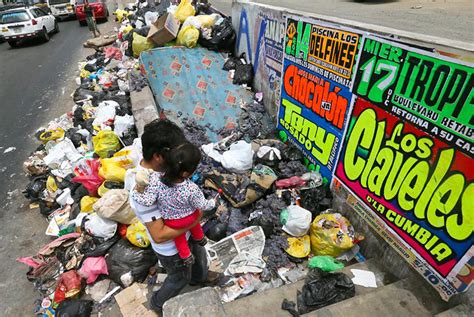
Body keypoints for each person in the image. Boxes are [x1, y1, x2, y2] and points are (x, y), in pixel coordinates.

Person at [128, 119, 209, 316]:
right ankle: (157, 304)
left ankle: (198, 278)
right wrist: (195, 220)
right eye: (174, 154)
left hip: (186, 233)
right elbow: (160, 235)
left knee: (198, 256)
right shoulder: (145, 189)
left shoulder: (163, 171)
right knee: (178, 278)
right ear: (158, 156)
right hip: (171, 248)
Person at [132, 142, 216, 265]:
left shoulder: (156, 180)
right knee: (195, 216)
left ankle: (186, 256)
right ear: (186, 173)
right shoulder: (191, 188)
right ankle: (199, 237)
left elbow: (148, 200)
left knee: (179, 237)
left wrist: (135, 192)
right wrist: (212, 202)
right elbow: (202, 205)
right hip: (191, 217)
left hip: (173, 222)